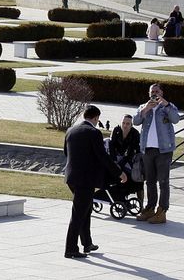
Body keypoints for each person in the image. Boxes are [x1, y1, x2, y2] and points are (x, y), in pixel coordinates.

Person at [63, 105, 126, 259]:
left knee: (86, 209)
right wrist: (119, 172)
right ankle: (70, 249)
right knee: (79, 213)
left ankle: (87, 243)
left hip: (71, 177)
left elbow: (66, 153)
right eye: (98, 119)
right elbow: (103, 157)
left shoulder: (71, 130)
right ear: (96, 118)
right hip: (85, 180)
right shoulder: (94, 133)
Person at [133, 83, 180, 225]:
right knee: (150, 181)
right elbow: (135, 121)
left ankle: (162, 211)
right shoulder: (144, 107)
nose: (154, 93)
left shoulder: (167, 107)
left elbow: (176, 119)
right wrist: (146, 109)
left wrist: (165, 104)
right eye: (152, 91)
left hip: (164, 150)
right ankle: (150, 208)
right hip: (147, 150)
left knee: (163, 182)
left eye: (157, 91)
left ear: (162, 93)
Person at [109, 114, 143, 202]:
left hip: (132, 158)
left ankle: (141, 203)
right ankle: (119, 197)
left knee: (137, 178)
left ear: (131, 125)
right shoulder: (116, 130)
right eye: (123, 123)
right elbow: (111, 147)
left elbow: (131, 153)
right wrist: (115, 162)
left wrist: (120, 165)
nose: (125, 125)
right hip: (117, 156)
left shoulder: (135, 134)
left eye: (128, 124)